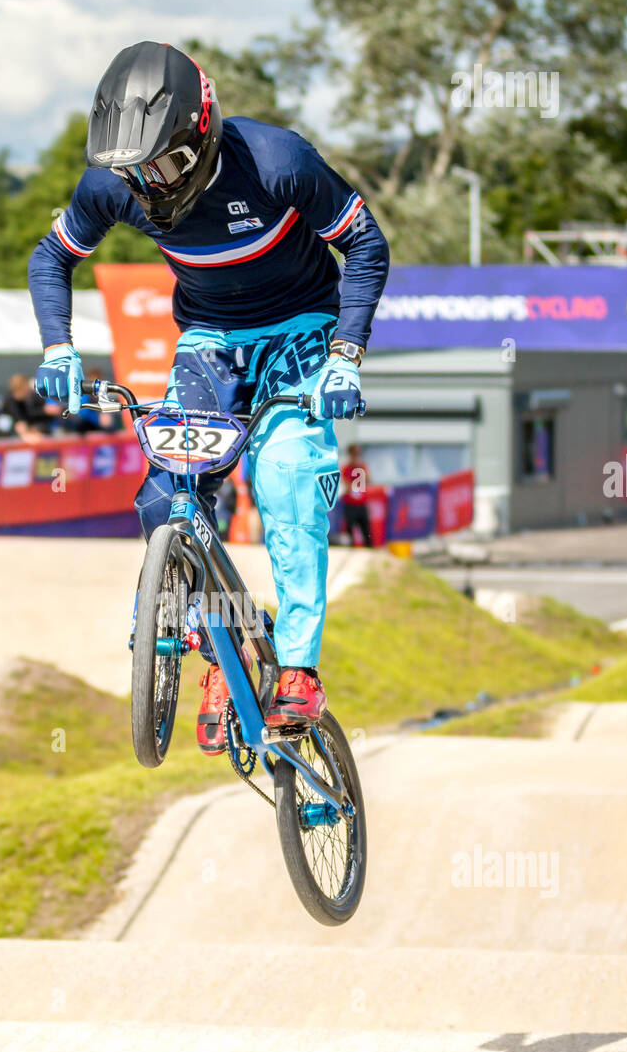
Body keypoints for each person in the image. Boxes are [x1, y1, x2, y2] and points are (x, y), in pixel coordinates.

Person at [28, 41, 388, 751]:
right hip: (209, 343)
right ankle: (220, 646)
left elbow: (366, 246)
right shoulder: (115, 186)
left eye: (158, 166)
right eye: (131, 173)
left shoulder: (280, 164)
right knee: (168, 498)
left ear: (200, 137)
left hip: (303, 333)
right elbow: (53, 258)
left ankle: (298, 670)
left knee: (287, 479)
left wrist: (346, 357)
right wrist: (58, 348)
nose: (146, 189)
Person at [341, 443, 373, 547]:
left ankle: (369, 550)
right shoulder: (346, 468)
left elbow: (369, 481)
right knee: (350, 532)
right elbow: (346, 485)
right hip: (350, 505)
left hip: (361, 504)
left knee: (366, 531)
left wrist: (360, 468)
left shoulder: (362, 467)